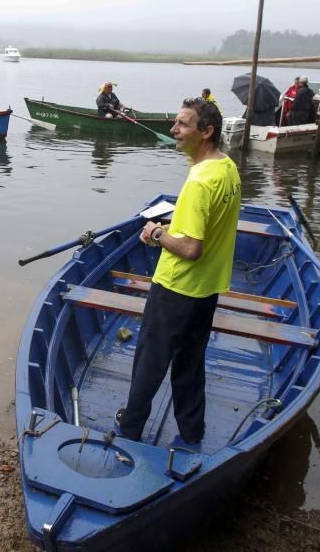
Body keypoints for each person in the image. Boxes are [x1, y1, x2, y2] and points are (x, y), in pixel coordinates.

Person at [116, 97, 241, 446]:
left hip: (176, 289)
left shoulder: (200, 180)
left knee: (149, 365)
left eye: (183, 124)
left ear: (207, 131)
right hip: (206, 289)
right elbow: (210, 221)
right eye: (176, 122)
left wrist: (157, 233)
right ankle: (191, 432)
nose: (174, 130)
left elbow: (190, 248)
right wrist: (174, 222)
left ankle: (129, 432)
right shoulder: (226, 167)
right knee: (190, 363)